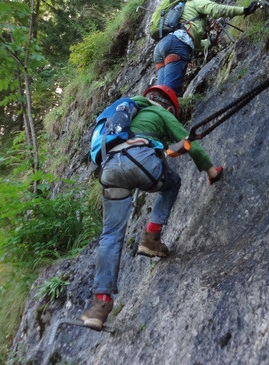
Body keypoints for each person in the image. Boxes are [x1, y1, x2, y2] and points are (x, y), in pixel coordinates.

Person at [81, 84, 223, 330]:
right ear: (168, 107)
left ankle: (100, 305)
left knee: (111, 235)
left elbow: (167, 148)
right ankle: (151, 237)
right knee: (173, 183)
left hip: (110, 168)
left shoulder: (125, 112)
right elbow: (189, 143)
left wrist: (167, 149)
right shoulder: (161, 113)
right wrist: (211, 172)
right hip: (139, 161)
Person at [153, 0, 259, 96]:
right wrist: (244, 10)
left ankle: (149, 111)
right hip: (176, 44)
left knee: (160, 93)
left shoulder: (185, 9)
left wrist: (210, 42)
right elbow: (216, 10)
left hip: (162, 47)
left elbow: (194, 42)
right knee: (169, 94)